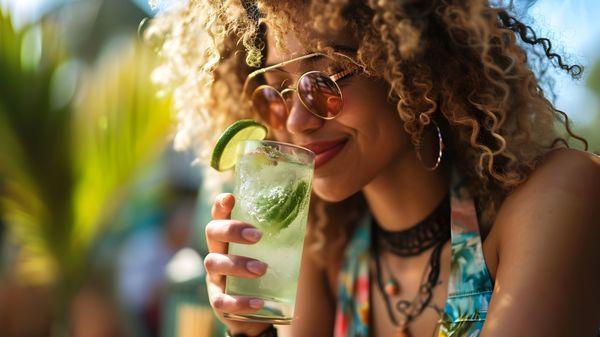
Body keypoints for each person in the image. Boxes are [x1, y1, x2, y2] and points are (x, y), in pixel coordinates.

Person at [148, 1, 600, 336]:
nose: (296, 122)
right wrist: (252, 330)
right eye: (277, 92)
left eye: (324, 79)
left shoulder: (557, 199)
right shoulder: (319, 256)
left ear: (412, 60)